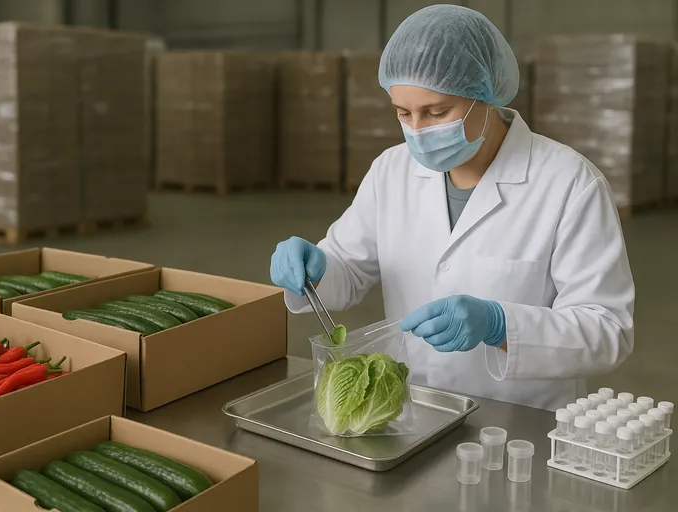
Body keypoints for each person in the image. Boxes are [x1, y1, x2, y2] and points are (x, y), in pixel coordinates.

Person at [269, 5, 634, 410]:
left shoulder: (568, 182)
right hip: (416, 410)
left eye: (437, 112)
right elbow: (349, 268)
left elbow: (607, 330)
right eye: (403, 114)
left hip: (517, 422)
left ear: (486, 95)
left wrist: (500, 325)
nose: (418, 131)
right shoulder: (392, 170)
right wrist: (317, 269)